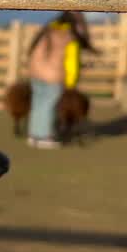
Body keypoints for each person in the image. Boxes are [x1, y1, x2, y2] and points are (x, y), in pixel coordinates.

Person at [24, 11, 94, 149]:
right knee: (50, 105)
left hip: (35, 72)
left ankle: (34, 135)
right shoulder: (70, 37)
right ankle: (45, 136)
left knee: (38, 103)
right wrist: (71, 83)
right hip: (53, 75)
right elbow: (72, 63)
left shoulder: (49, 29)